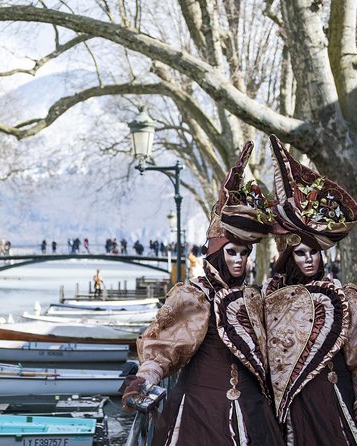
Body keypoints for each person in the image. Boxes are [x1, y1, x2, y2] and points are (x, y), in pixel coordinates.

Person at [120, 141, 283, 445]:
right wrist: (146, 377)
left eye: (245, 253)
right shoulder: (195, 296)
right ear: (219, 253)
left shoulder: (253, 298)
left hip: (252, 408)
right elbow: (165, 346)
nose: (239, 260)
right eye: (232, 252)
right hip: (201, 410)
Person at [264, 135, 357, 445]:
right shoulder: (270, 300)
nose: (309, 259)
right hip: (294, 405)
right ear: (288, 257)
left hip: (338, 397)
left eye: (314, 252)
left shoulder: (345, 298)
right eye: (300, 253)